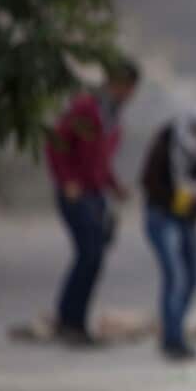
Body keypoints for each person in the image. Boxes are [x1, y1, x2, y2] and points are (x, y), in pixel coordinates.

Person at [45, 60, 140, 347]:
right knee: (89, 254)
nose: (130, 94)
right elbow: (56, 143)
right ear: (117, 84)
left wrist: (115, 187)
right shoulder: (86, 107)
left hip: (96, 194)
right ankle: (69, 320)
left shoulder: (113, 115)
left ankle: (74, 321)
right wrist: (66, 180)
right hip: (77, 193)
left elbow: (100, 160)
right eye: (128, 88)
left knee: (94, 257)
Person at [139, 101, 196, 361]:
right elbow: (148, 180)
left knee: (194, 275)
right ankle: (173, 339)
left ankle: (173, 328)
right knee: (175, 275)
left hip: (188, 218)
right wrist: (176, 198)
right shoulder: (169, 139)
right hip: (162, 214)